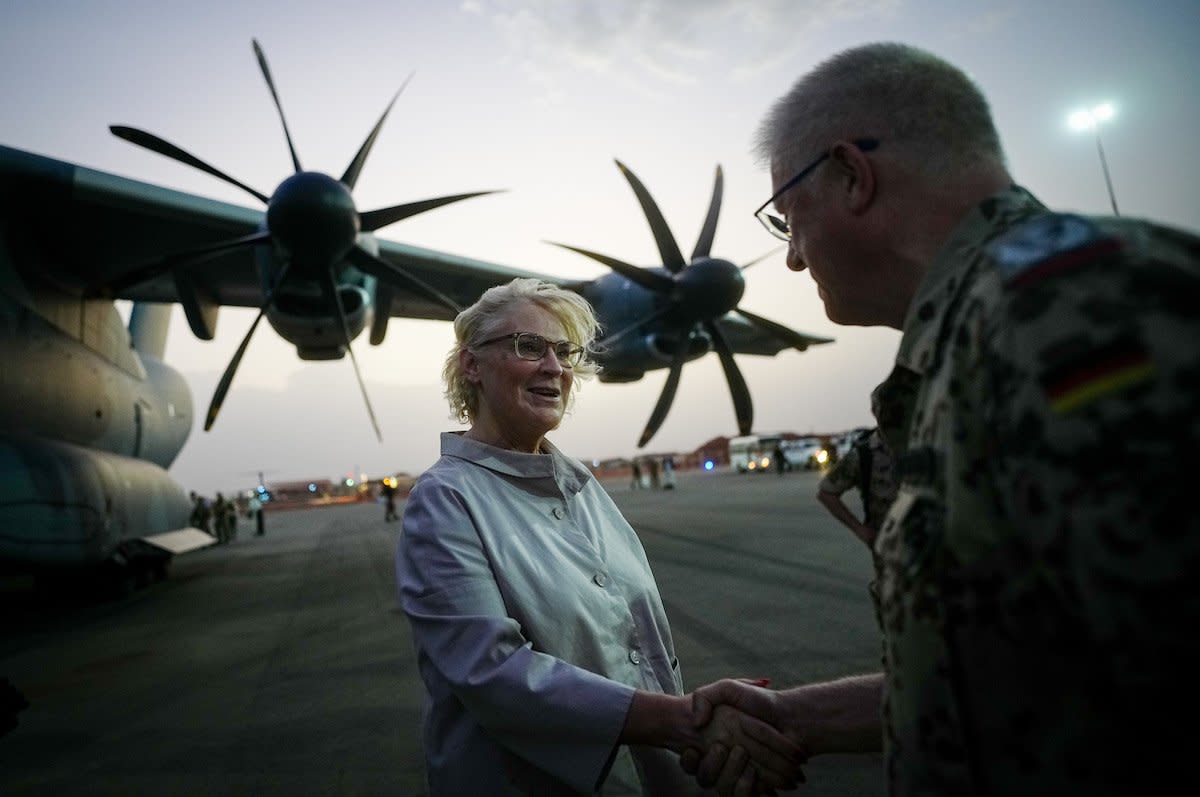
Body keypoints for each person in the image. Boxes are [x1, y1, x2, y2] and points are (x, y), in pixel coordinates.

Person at [684, 42, 1200, 796]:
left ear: (853, 177)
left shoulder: (1072, 309)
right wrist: (798, 717)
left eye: (786, 218)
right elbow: (1035, 666)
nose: (792, 258)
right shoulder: (981, 334)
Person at [395, 278, 804, 796]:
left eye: (565, 352)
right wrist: (685, 720)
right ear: (471, 365)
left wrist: (692, 730)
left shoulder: (583, 489)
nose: (554, 367)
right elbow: (491, 674)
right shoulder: (444, 501)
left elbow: (641, 651)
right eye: (528, 346)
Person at [816, 389, 898, 551]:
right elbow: (826, 493)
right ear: (874, 411)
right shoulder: (864, 455)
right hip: (888, 549)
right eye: (883, 408)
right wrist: (860, 530)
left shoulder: (923, 445)